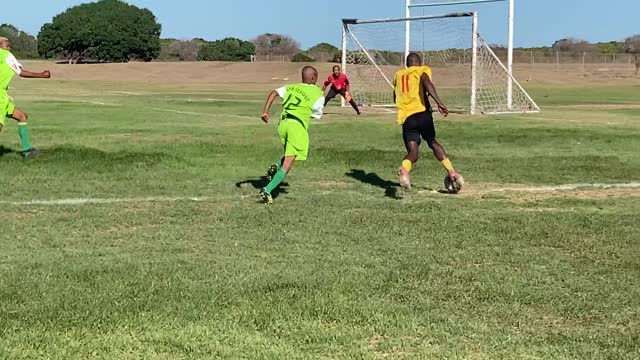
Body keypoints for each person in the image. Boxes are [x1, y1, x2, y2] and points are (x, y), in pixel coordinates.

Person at [392, 52, 463, 192]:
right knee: (432, 142)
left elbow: (395, 97)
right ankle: (452, 172)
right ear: (419, 63)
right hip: (422, 114)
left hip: (407, 118)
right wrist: (439, 102)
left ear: (407, 64)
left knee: (412, 153)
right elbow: (426, 82)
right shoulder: (422, 70)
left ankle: (405, 170)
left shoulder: (398, 75)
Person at [259, 66, 325, 204]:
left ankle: (276, 167)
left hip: (283, 124)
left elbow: (274, 92)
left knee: (291, 153)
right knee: (289, 163)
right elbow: (316, 114)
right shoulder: (318, 93)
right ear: (313, 78)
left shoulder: (291, 87)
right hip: (297, 126)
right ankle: (267, 189)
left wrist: (266, 111)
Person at [0, 37, 50, 159]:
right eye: (7, 44)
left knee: (22, 117)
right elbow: (21, 72)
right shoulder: (6, 55)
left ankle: (27, 152)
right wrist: (42, 75)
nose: (9, 47)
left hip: (4, 97)